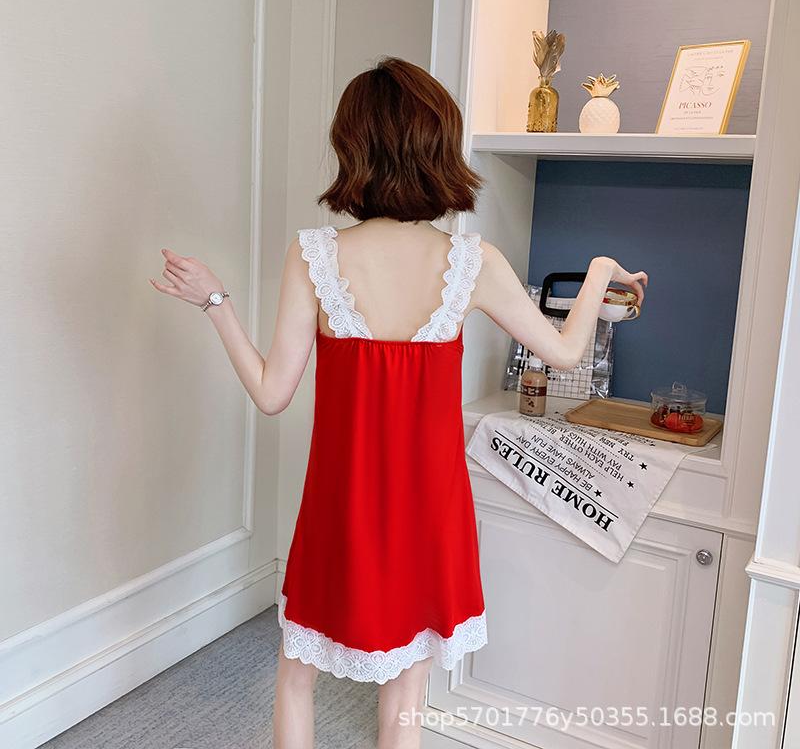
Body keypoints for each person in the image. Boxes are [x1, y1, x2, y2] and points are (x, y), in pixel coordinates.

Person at [149, 56, 647, 749]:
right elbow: (566, 352)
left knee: (295, 676)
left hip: (340, 508)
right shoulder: (474, 262)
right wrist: (597, 272)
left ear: (353, 147)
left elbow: (271, 393)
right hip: (430, 513)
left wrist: (216, 301)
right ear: (437, 146)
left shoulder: (314, 255)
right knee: (406, 699)